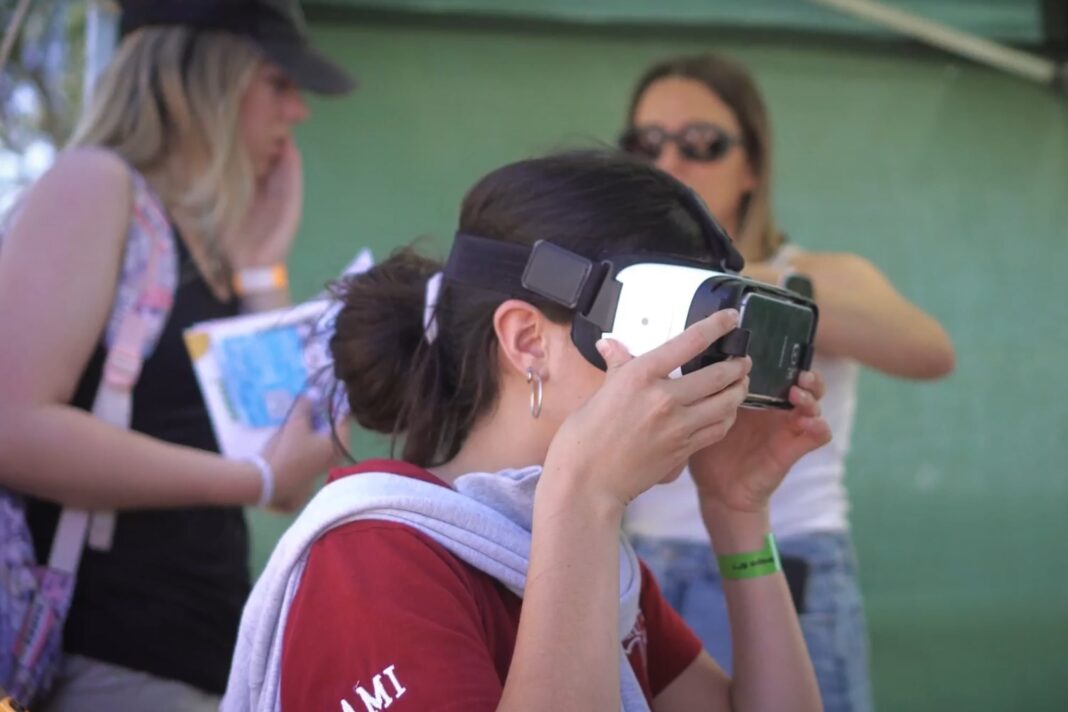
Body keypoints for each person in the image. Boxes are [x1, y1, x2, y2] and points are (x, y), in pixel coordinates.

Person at [223, 151, 831, 712]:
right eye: (666, 337)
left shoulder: (588, 554)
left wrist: (737, 516)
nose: (690, 374)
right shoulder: (373, 558)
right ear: (527, 341)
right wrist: (583, 497)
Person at [0, 1, 354, 709]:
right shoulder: (93, 184)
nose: (298, 112)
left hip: (202, 661)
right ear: (204, 79)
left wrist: (261, 269)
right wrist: (246, 478)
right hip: (107, 657)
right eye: (278, 83)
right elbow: (14, 429)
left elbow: (287, 473)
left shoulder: (199, 244)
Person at [619, 53, 956, 712]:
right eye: (646, 142)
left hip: (780, 556)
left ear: (752, 166)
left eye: (702, 143)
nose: (671, 162)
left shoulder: (816, 271)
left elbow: (930, 351)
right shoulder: (630, 280)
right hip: (643, 564)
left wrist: (754, 284)